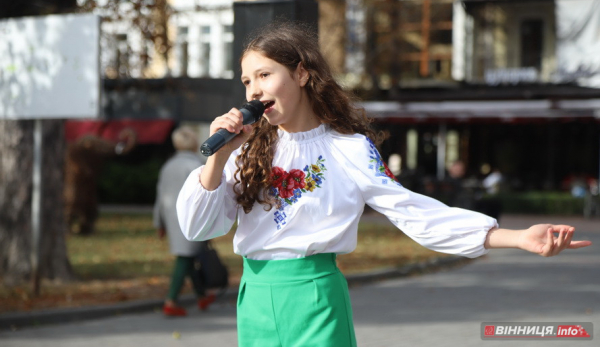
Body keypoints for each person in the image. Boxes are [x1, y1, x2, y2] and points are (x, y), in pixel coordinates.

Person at [176, 22, 591, 346]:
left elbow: (412, 212)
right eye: (247, 81)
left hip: (315, 296)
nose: (254, 90)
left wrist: (516, 238)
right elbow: (198, 228)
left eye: (264, 75)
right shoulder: (244, 151)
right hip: (254, 296)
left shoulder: (348, 149)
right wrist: (219, 157)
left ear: (301, 73)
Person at [154, 125, 215, 317]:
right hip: (191, 217)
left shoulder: (168, 166)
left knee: (189, 255)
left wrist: (159, 222)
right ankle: (171, 300)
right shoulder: (197, 164)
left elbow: (160, 196)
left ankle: (201, 295)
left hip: (171, 219)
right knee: (186, 257)